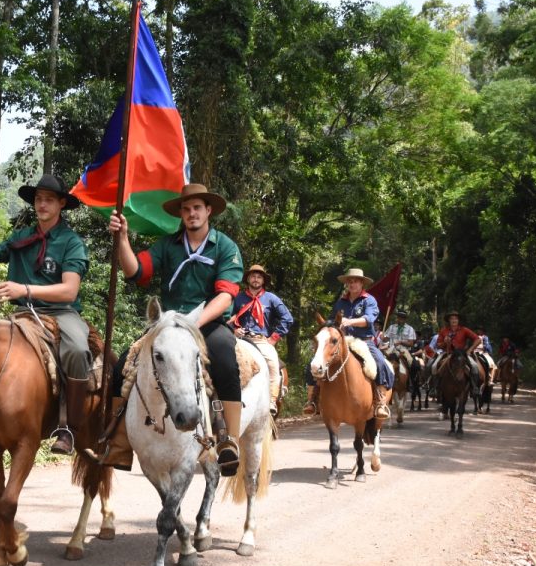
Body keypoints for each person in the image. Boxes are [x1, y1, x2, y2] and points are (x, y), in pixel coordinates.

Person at [83, 183, 244, 476]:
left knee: (224, 359)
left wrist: (195, 323)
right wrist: (122, 239)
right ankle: (118, 442)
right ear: (181, 214)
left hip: (205, 322)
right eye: (186, 208)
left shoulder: (225, 246)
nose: (191, 213)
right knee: (123, 365)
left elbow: (225, 296)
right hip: (168, 325)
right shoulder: (168, 245)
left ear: (208, 211)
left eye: (197, 208)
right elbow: (135, 270)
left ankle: (228, 440)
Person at [0, 174, 91, 456]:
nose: (42, 204)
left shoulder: (70, 241)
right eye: (38, 199)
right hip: (22, 315)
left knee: (77, 349)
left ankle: (69, 428)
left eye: (49, 199)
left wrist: (22, 288)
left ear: (61, 204)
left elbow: (69, 291)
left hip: (60, 313)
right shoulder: (21, 237)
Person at [302, 267, 395, 420]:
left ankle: (380, 401)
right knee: (313, 363)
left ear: (362, 283)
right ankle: (312, 400)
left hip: (363, 341)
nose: (352, 284)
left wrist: (350, 321)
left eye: (356, 281)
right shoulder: (341, 302)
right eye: (350, 282)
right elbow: (332, 322)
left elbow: (369, 319)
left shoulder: (369, 300)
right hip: (341, 341)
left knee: (379, 362)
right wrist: (326, 325)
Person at [229, 264, 294, 417]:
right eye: (253, 276)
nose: (256, 279)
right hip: (240, 338)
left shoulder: (271, 298)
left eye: (259, 277)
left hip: (260, 340)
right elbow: (227, 318)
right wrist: (233, 329)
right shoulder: (238, 298)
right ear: (248, 279)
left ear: (263, 280)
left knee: (273, 364)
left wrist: (274, 338)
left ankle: (272, 399)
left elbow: (287, 318)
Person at [430, 311, 485, 395]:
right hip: (448, 353)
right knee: (434, 366)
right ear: (449, 320)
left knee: (474, 366)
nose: (454, 320)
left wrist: (470, 350)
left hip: (461, 354)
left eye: (456, 318)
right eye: (451, 318)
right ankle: (434, 388)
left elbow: (478, 339)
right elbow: (438, 345)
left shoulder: (464, 330)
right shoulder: (443, 331)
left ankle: (474, 387)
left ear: (458, 320)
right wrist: (445, 342)